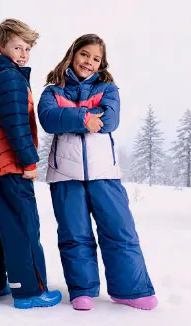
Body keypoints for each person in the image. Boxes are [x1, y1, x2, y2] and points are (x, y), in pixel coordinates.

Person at [37, 34, 157, 311]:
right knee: (74, 234)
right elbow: (48, 119)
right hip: (65, 174)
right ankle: (82, 290)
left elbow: (110, 120)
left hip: (105, 174)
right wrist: (85, 117)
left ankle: (131, 289)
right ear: (72, 54)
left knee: (119, 230)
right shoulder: (53, 91)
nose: (89, 62)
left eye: (96, 58)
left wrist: (73, 117)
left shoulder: (108, 88)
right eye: (84, 55)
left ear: (101, 64)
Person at [0, 18, 62, 309]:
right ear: (0, 47)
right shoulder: (10, 77)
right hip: (10, 163)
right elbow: (16, 124)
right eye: (17, 47)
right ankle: (30, 291)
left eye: (27, 48)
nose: (23, 54)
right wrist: (29, 161)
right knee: (23, 224)